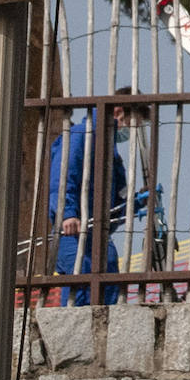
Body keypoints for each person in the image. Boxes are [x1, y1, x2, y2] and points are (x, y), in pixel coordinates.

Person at [49, 88, 149, 306]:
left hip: (98, 234)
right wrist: (68, 214)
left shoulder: (110, 152)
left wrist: (136, 202)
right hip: (73, 233)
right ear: (118, 112)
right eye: (134, 123)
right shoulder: (81, 136)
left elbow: (115, 203)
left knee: (109, 276)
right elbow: (63, 177)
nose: (132, 131)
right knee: (82, 277)